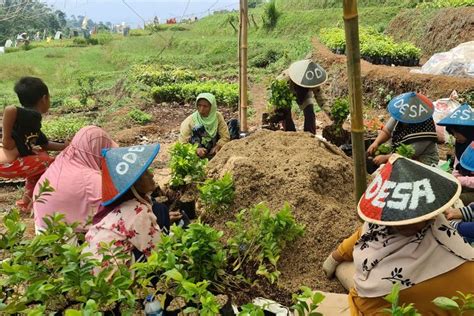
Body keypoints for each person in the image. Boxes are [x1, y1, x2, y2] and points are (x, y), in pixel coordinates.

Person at [322, 155, 474, 315]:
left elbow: (363, 306)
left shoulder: (381, 293)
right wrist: (337, 256)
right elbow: (361, 233)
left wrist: (336, 259)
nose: (407, 223)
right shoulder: (447, 237)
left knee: (347, 273)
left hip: (371, 301)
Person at [83, 144, 173, 266]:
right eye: (145, 173)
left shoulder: (118, 204)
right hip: (111, 275)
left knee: (158, 209)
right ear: (134, 184)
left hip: (89, 266)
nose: (151, 175)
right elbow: (156, 250)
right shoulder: (139, 211)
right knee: (158, 255)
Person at [0, 77, 68, 212]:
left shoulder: (31, 124)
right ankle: (46, 202)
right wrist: (6, 139)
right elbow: (9, 109)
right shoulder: (32, 115)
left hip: (9, 164)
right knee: (49, 163)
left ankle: (27, 202)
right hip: (8, 164)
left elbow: (45, 144)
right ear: (44, 98)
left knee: (41, 158)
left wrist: (65, 146)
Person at [32, 126, 118, 233]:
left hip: (43, 230)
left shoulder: (62, 160)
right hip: (67, 240)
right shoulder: (91, 179)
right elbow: (115, 208)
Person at [367, 92, 439, 166]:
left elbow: (408, 153)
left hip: (423, 162)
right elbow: (387, 130)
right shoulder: (401, 112)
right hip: (399, 156)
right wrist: (376, 142)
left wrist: (386, 158)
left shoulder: (425, 130)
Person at [274, 59, 327, 135]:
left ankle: (310, 135)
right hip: (287, 91)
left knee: (309, 110)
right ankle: (290, 133)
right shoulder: (284, 79)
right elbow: (276, 94)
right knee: (285, 112)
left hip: (305, 93)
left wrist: (332, 115)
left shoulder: (312, 80)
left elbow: (321, 99)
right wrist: (276, 110)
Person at [179, 93, 238, 159]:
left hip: (213, 147)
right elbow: (183, 143)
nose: (201, 109)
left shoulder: (217, 116)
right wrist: (195, 150)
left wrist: (219, 145)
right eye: (199, 105)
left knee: (234, 123)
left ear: (212, 107)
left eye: (205, 106)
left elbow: (225, 136)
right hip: (199, 151)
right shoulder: (189, 121)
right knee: (198, 128)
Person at [437, 104, 474, 205]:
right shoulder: (460, 144)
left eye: (457, 133)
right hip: (465, 183)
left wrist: (461, 180)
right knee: (445, 193)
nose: (455, 136)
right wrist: (453, 180)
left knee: (456, 201)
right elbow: (457, 167)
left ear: (466, 131)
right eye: (453, 133)